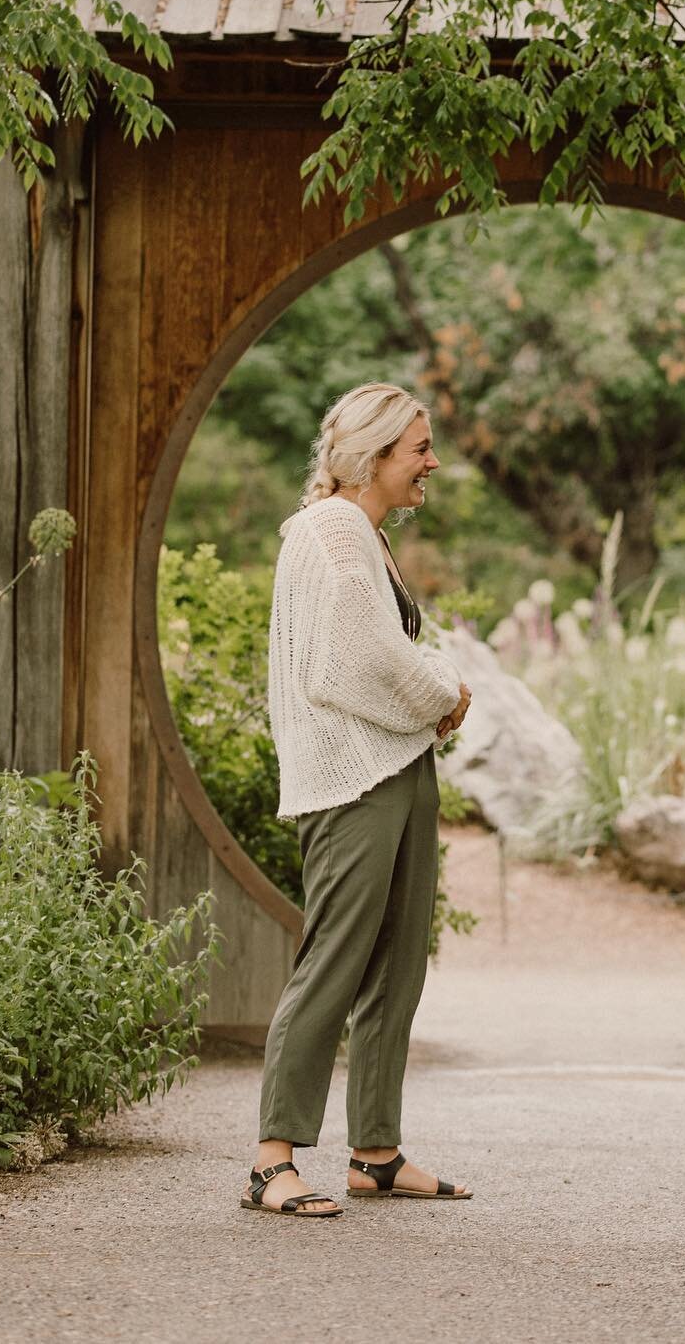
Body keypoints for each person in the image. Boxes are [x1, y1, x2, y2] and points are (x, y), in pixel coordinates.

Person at [241, 383, 474, 1218]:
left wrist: (429, 707)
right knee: (336, 959)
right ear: (372, 456)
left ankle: (375, 1153)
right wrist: (445, 688)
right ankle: (273, 1160)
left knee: (397, 964)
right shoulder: (333, 529)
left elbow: (367, 650)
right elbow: (355, 658)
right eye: (419, 448)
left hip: (397, 765)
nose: (432, 462)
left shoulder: (357, 532)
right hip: (355, 778)